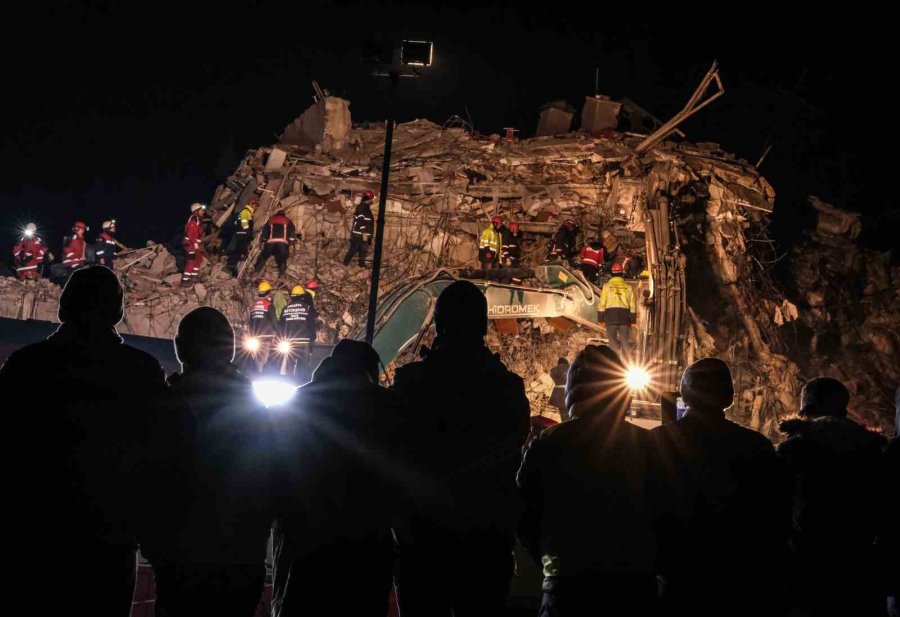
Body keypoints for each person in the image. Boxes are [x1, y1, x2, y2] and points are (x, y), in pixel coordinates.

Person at [0, 265, 167, 615]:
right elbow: (160, 459)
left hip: (32, 538)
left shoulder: (25, 367)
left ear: (63, 307)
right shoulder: (142, 372)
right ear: (118, 312)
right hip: (108, 543)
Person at [391, 280, 531, 617]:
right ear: (483, 325)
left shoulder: (410, 384)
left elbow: (390, 456)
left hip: (422, 542)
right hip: (485, 545)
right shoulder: (508, 389)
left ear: (438, 324)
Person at [149, 307, 273, 617]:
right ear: (230, 350)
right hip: (240, 558)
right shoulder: (259, 410)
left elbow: (145, 479)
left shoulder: (164, 405)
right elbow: (275, 482)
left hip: (180, 560)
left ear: (180, 347)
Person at [518, 345, 659, 617]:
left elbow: (523, 512)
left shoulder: (548, 444)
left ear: (572, 390)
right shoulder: (649, 445)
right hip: (633, 587)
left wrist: (551, 559)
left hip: (567, 588)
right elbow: (668, 511)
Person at [272, 340, 405, 617]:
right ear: (371, 370)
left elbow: (270, 476)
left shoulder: (292, 405)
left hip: (304, 550)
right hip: (366, 554)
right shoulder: (391, 409)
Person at [651, 357, 787, 617]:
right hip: (737, 579)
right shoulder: (756, 446)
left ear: (685, 394)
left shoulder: (655, 442)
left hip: (674, 576)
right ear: (729, 397)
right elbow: (774, 517)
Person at [777, 377, 888, 617]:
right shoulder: (872, 449)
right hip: (857, 566)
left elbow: (776, 508)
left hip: (806, 567)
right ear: (843, 408)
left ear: (806, 408)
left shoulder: (794, 448)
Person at [277, 285, 317, 382]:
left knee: (289, 365)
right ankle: (302, 385)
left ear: (292, 296)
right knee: (303, 365)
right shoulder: (307, 308)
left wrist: (281, 340)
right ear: (302, 296)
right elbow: (312, 325)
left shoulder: (286, 309)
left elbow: (280, 327)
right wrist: (312, 339)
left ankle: (289, 383)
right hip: (304, 342)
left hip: (289, 342)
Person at [598, 262, 636, 358]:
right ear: (622, 273)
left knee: (612, 342)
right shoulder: (628, 287)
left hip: (611, 317)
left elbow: (602, 304)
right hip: (624, 317)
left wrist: (600, 320)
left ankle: (613, 363)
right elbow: (632, 306)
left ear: (612, 273)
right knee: (625, 341)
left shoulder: (606, 287)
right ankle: (628, 364)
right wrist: (634, 321)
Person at [254, 209, 296, 277]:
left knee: (263, 256)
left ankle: (256, 271)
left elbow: (265, 232)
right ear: (284, 215)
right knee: (282, 258)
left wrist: (263, 242)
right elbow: (292, 233)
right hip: (282, 243)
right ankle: (281, 274)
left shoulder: (271, 220)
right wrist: (291, 245)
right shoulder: (288, 221)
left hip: (270, 243)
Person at [343, 190, 375, 267]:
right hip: (359, 234)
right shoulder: (361, 207)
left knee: (363, 251)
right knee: (353, 249)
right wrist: (364, 233)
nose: (371, 200)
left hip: (363, 235)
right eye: (370, 198)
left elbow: (366, 221)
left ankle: (361, 265)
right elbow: (360, 220)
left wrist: (368, 235)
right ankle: (344, 264)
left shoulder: (366, 208)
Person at [225, 197, 256, 276]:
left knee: (239, 250)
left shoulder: (247, 212)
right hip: (243, 233)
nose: (256, 207)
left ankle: (232, 267)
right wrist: (248, 232)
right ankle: (231, 267)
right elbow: (244, 222)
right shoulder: (246, 211)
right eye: (255, 205)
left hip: (241, 233)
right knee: (240, 250)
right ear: (251, 204)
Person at [182, 203, 206, 286]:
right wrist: (195, 243)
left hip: (194, 243)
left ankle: (193, 277)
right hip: (189, 244)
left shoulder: (198, 219)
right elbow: (189, 233)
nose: (203, 211)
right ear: (196, 211)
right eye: (201, 210)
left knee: (199, 259)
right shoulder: (193, 220)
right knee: (191, 261)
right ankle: (185, 281)